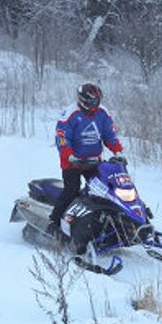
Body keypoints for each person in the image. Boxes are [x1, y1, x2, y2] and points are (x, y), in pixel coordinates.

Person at [47, 83, 123, 237]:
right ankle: (53, 222)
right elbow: (62, 138)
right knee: (72, 190)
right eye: (93, 102)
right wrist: (69, 155)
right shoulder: (70, 114)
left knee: (104, 191)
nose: (96, 105)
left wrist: (118, 151)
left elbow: (109, 135)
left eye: (98, 101)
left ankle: (103, 222)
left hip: (94, 161)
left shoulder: (103, 113)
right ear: (83, 100)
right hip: (72, 162)